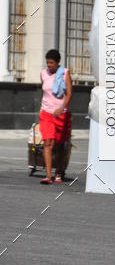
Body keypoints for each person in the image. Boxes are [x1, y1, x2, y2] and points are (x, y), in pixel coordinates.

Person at [39, 49, 73, 185]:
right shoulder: (43, 73)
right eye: (47, 63)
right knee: (48, 143)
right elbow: (45, 92)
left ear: (58, 62)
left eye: (51, 63)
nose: (49, 66)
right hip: (46, 113)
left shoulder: (65, 73)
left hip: (61, 114)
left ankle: (58, 172)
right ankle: (48, 176)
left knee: (59, 145)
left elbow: (69, 93)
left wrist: (61, 108)